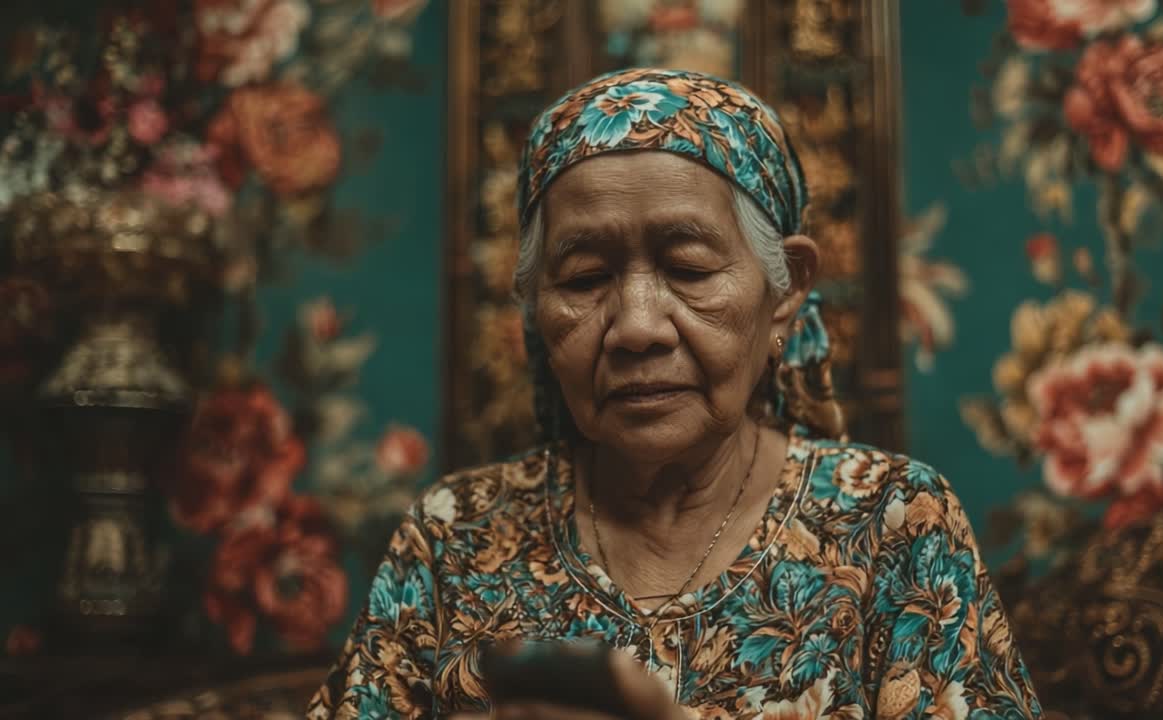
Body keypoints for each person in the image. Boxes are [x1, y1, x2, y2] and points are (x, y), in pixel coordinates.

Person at [307, 68, 1042, 720]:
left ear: (784, 292)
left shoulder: (895, 527)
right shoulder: (453, 539)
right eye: (585, 278)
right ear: (532, 304)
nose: (635, 327)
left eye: (688, 267)